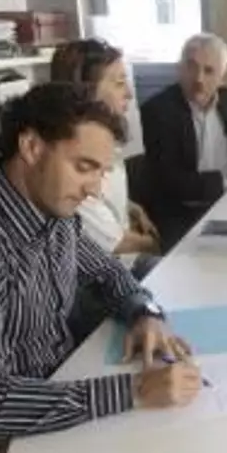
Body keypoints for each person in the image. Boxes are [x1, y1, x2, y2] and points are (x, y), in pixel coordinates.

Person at [0, 83, 202, 453]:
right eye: (84, 167)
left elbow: (108, 272)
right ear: (31, 147)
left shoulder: (54, 212)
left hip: (55, 389)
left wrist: (145, 313)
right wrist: (135, 389)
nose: (94, 191)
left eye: (101, 172)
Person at [50, 39, 161, 278]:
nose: (129, 94)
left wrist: (131, 207)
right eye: (119, 83)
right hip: (103, 277)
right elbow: (115, 242)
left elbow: (106, 196)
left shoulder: (103, 138)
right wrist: (156, 243)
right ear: (86, 90)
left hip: (123, 262)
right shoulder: (70, 163)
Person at [141, 32, 227, 251]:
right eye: (191, 67)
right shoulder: (158, 111)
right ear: (179, 69)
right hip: (182, 213)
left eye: (209, 70)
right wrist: (223, 184)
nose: (199, 79)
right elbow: (168, 180)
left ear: (223, 75)